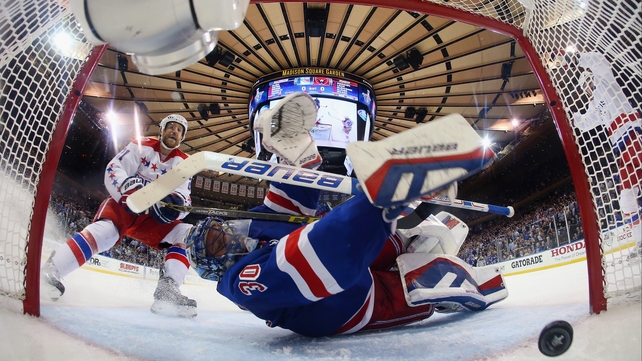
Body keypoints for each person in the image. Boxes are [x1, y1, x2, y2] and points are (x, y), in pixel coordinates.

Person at [185, 92, 508, 337]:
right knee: (421, 284)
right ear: (215, 267)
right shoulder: (237, 281)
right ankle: (466, 279)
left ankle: (400, 231)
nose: (227, 236)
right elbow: (315, 256)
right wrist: (377, 203)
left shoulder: (250, 230)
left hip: (346, 261)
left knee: (415, 242)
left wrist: (290, 156)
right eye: (217, 242)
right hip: (351, 304)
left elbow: (287, 205)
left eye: (220, 229)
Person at [41, 114, 198, 318]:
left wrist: (175, 207)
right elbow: (115, 169)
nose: (174, 131)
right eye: (171, 127)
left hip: (153, 219)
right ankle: (54, 268)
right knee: (106, 232)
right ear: (161, 130)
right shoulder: (140, 145)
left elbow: (185, 197)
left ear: (182, 137)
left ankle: (168, 290)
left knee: (187, 234)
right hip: (125, 207)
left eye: (179, 130)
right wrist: (128, 192)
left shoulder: (184, 162)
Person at [572, 51, 641, 257]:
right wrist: (571, 118)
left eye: (587, 83)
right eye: (584, 87)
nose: (586, 89)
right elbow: (585, 123)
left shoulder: (605, 83)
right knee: (626, 198)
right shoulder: (593, 106)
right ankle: (639, 240)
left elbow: (600, 61)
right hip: (621, 149)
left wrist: (577, 59)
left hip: (635, 134)